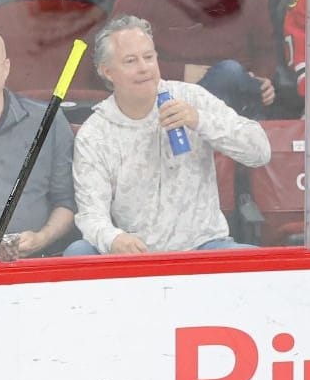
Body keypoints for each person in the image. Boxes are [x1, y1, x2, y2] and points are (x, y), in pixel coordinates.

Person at [64, 15, 270, 256]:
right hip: (137, 254)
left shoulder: (191, 97)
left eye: (149, 57)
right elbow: (91, 214)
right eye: (130, 61)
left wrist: (199, 120)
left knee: (260, 262)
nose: (144, 68)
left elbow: (260, 151)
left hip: (204, 246)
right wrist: (114, 239)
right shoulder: (95, 132)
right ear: (107, 72)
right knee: (78, 252)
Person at [0, 26, 77, 261]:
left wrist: (42, 237)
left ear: (6, 68)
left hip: (35, 263)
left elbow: (67, 203)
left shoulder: (48, 121)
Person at [111, 0, 278, 119]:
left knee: (230, 74)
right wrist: (181, 73)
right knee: (229, 73)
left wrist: (262, 80)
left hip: (239, 99)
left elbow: (265, 51)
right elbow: (114, 60)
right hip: (167, 98)